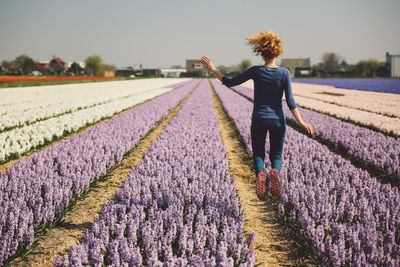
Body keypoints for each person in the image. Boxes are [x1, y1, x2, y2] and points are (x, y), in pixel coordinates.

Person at [201, 30, 314, 200]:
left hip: (259, 118)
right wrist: (301, 121)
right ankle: (274, 172)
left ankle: (260, 174)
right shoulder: (284, 73)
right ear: (278, 52)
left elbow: (230, 82)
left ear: (261, 52)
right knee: (276, 154)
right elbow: (289, 100)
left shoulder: (256, 71)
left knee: (258, 153)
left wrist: (213, 69)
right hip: (278, 119)